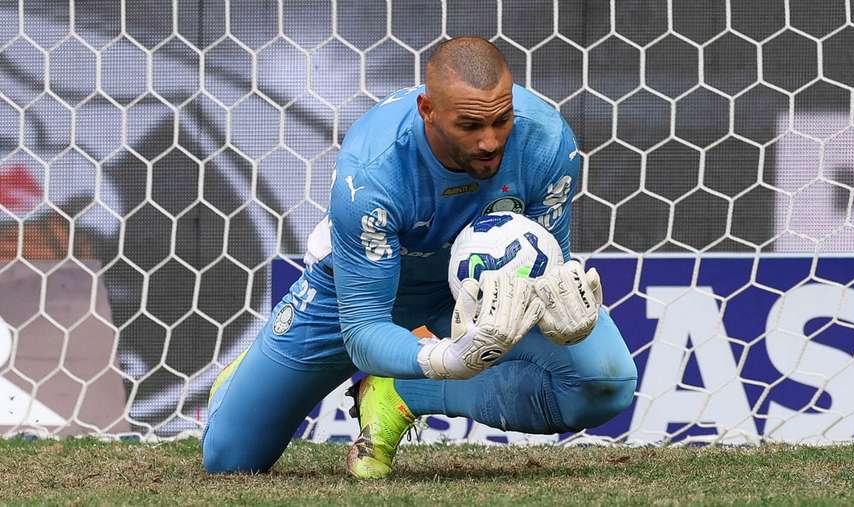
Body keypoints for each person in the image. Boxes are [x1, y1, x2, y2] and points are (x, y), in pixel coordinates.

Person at [201, 36, 637, 478]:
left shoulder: (545, 140)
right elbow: (364, 328)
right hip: (357, 292)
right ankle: (242, 383)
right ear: (428, 110)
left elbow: (547, 258)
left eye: (501, 120)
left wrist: (558, 307)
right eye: (470, 126)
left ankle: (401, 392)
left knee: (606, 385)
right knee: (229, 460)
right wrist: (445, 358)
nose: (490, 141)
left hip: (475, 291)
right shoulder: (373, 174)